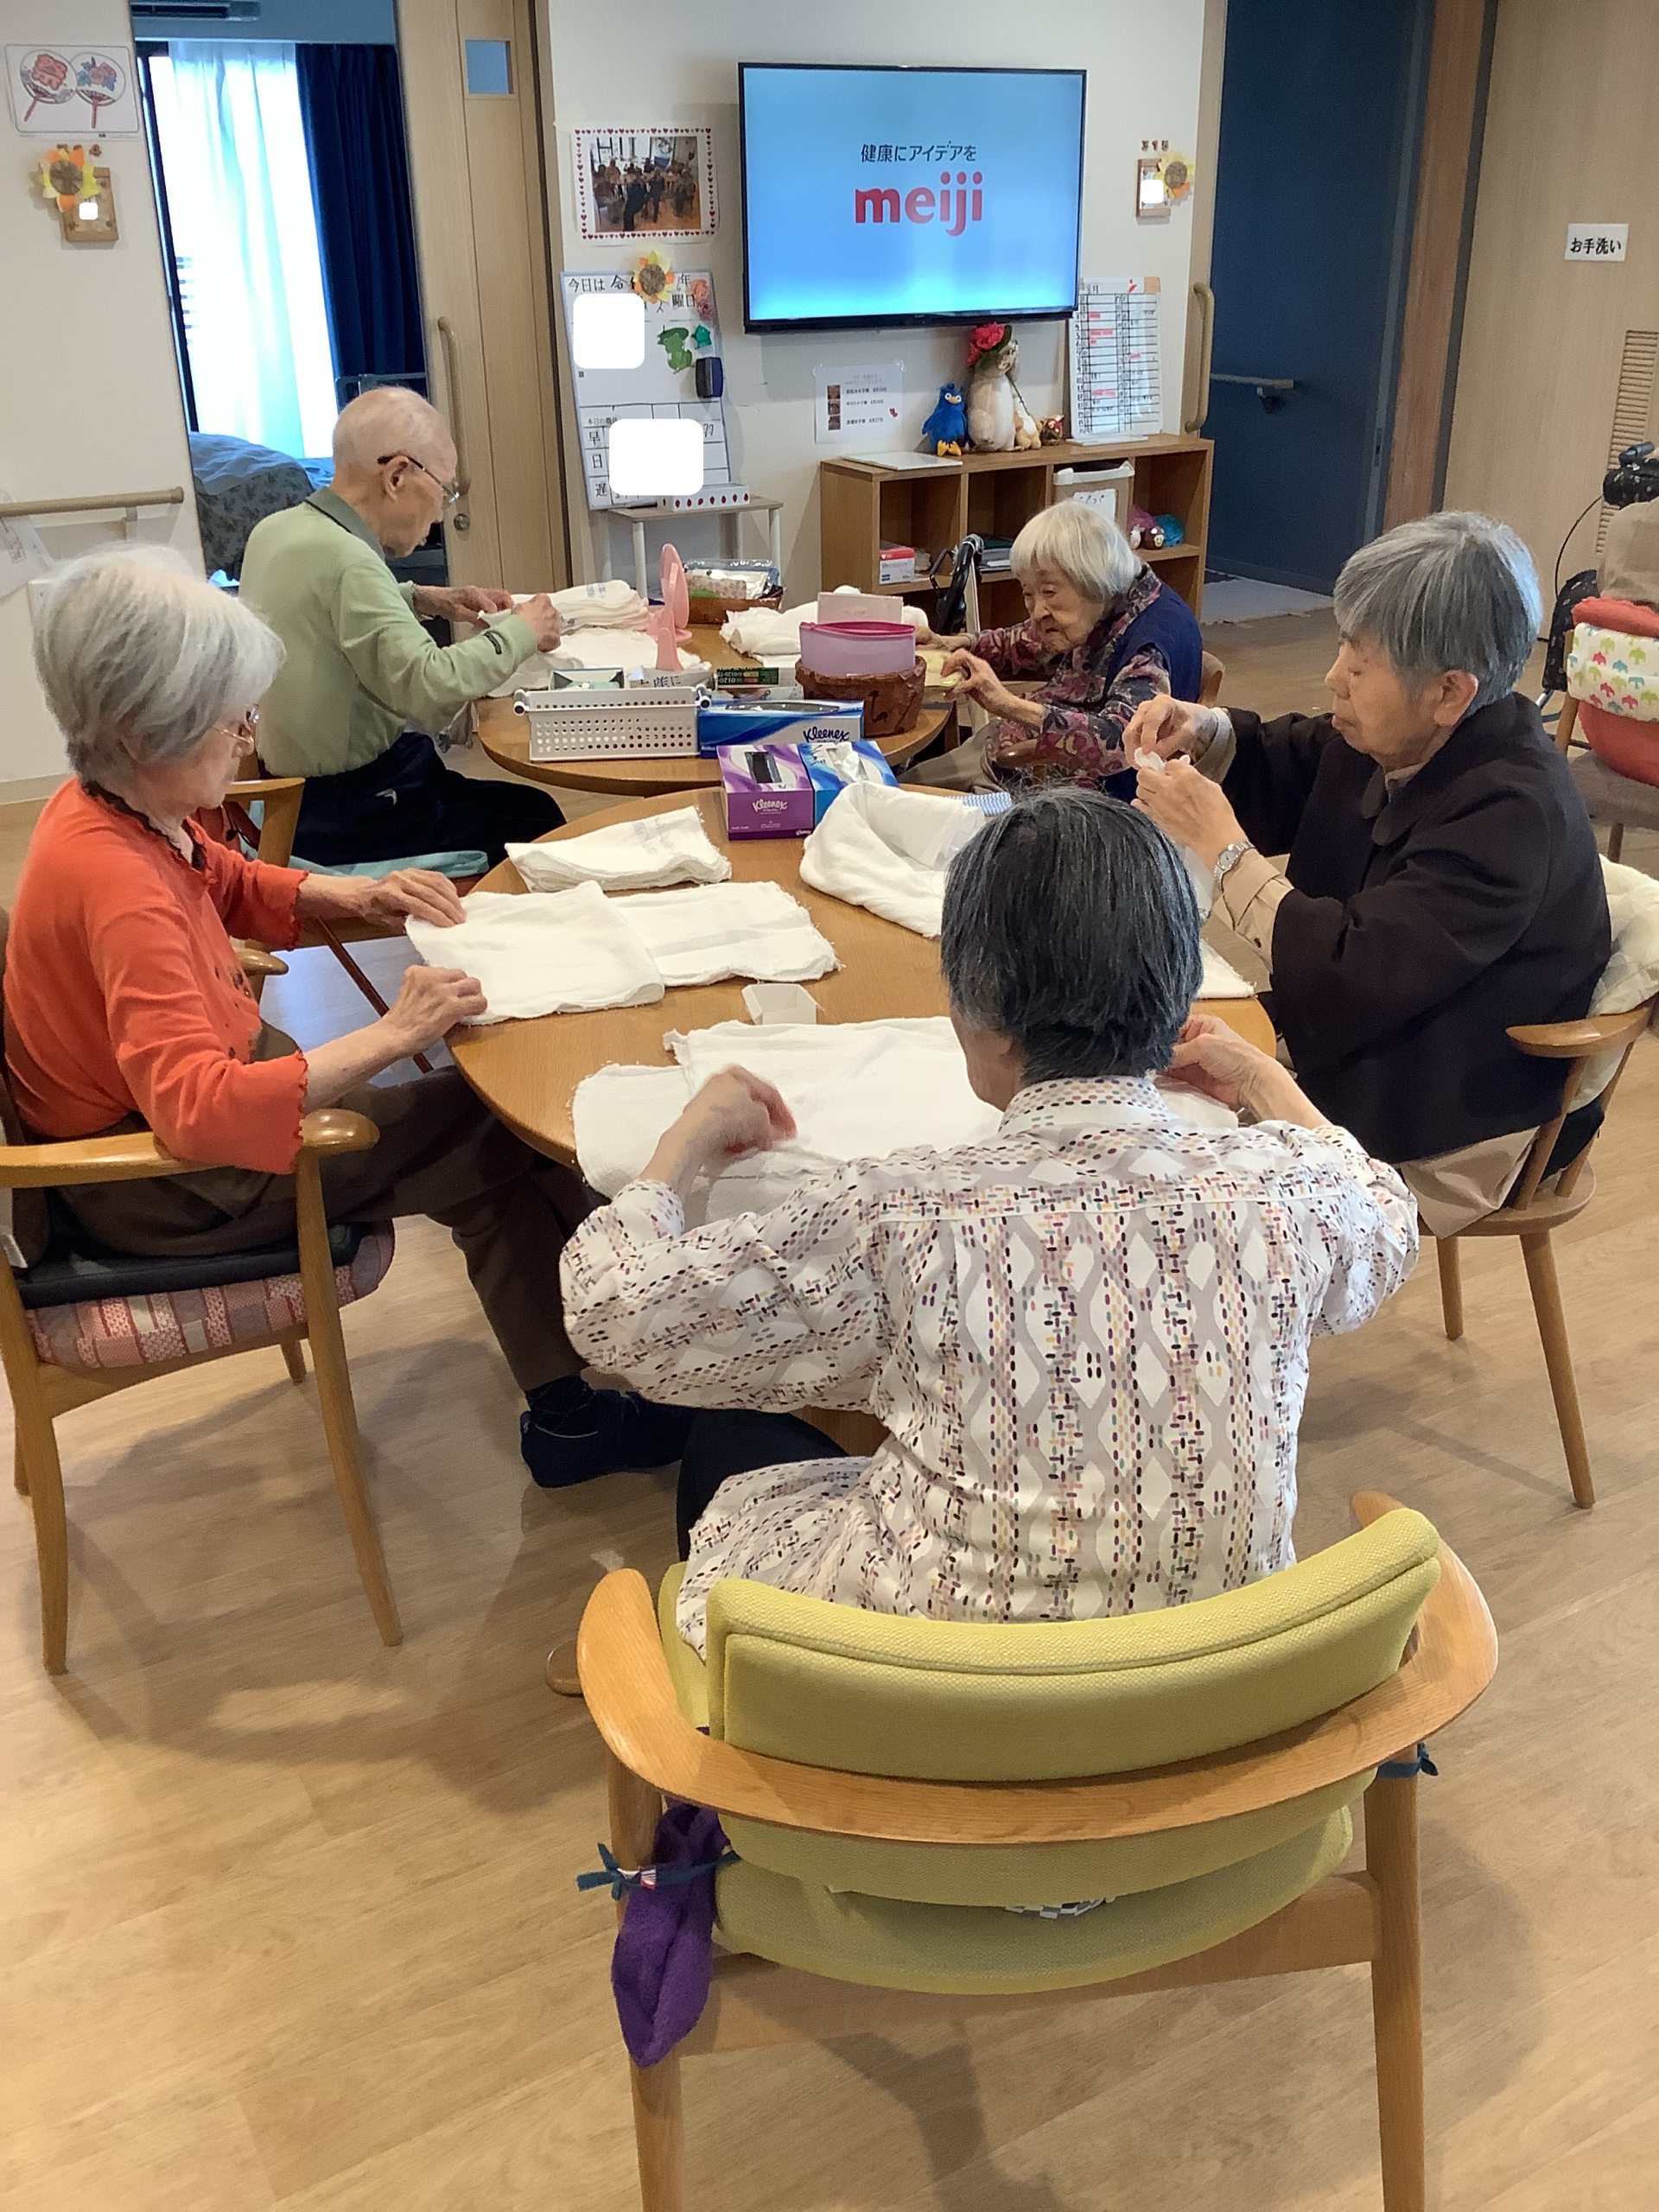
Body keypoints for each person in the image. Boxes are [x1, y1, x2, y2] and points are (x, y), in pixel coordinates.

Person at [561, 791, 1416, 1659]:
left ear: (985, 1015)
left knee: (731, 1437)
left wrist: (685, 1139)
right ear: (1178, 990)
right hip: (1219, 1672)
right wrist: (1262, 1077)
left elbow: (610, 1311)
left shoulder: (894, 1215)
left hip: (945, 1693)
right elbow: (1387, 1209)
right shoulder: (1292, 1194)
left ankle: (737, 1729)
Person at [9, 548, 690, 1487]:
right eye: (227, 717)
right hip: (175, 1187)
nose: (248, 733)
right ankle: (638, 1337)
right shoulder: (117, 887)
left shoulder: (106, 807)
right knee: (501, 1121)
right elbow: (198, 1114)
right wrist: (394, 1034)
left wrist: (358, 897)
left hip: (197, 1124)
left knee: (481, 1149)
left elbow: (223, 878)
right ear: (137, 732)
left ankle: (595, 1377)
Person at [1127, 510, 1611, 1236]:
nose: (1334, 679)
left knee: (1179, 1181)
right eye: (1341, 649)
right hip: (1369, 1047)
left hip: (1452, 1115)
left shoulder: (1513, 811)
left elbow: (1357, 967)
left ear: (1449, 693)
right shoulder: (1413, 733)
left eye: (1358, 666)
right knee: (1139, 1081)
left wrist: (1223, 851)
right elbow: (1299, 757)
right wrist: (1204, 731)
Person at [239, 386, 565, 870]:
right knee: (540, 827)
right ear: (396, 476)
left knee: (521, 807)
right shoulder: (350, 562)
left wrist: (424, 597)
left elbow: (327, 606)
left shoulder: (279, 530)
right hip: (346, 814)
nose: (441, 513)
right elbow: (432, 687)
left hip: (288, 799)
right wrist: (524, 629)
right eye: (444, 491)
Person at [907, 500, 1205, 797]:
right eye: (1028, 593)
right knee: (898, 789)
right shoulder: (1115, 596)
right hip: (1015, 749)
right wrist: (956, 644)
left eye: (1049, 592)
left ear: (1091, 577)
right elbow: (1030, 641)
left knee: (902, 800)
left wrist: (1007, 704)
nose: (1037, 612)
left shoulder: (1149, 646)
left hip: (1061, 788)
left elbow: (1119, 741)